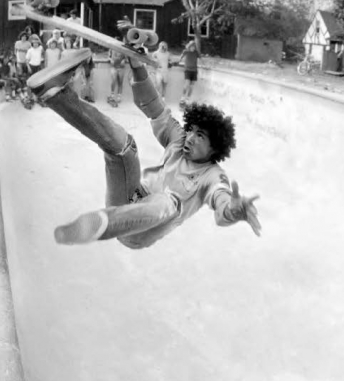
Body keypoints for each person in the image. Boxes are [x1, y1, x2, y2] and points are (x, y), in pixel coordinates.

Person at [25, 47, 262, 249]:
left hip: (139, 232)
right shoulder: (179, 140)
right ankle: (55, 95)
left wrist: (232, 210)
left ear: (214, 148)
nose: (189, 138)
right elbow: (154, 107)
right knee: (125, 148)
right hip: (129, 197)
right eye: (191, 130)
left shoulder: (213, 176)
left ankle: (101, 224)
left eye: (199, 136)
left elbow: (220, 201)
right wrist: (137, 66)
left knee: (171, 202)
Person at [177, 40, 200, 106]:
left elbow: (200, 59)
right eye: (192, 46)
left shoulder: (196, 52)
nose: (193, 48)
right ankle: (183, 97)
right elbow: (181, 57)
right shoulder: (186, 51)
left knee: (192, 86)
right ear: (189, 46)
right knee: (187, 83)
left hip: (194, 71)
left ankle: (188, 98)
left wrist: (206, 65)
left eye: (194, 47)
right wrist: (178, 61)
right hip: (187, 70)